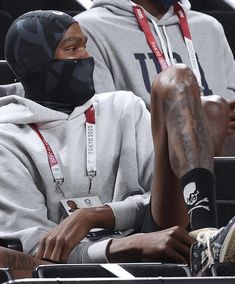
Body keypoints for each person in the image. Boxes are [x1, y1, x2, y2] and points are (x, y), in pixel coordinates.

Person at [0, 9, 233, 279]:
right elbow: (37, 249)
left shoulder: (123, 106)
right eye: (72, 48)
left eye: (85, 45)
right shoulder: (7, 137)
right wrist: (125, 245)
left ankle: (205, 238)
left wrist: (97, 215)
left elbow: (160, 196)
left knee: (176, 78)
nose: (86, 57)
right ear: (35, 62)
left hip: (161, 233)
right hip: (76, 265)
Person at [75, 0, 235, 155]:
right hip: (149, 173)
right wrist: (191, 125)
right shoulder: (89, 28)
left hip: (225, 166)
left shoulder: (209, 27)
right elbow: (103, 126)